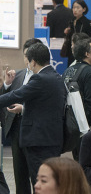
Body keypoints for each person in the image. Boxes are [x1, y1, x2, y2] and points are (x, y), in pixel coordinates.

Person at [0, 43, 65, 186]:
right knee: (50, 182)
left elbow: (16, 95)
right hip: (52, 140)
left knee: (40, 183)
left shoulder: (40, 79)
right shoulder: (57, 77)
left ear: (33, 62)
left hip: (38, 142)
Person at [0, 38, 42, 194]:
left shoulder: (46, 78)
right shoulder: (17, 75)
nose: (27, 60)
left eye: (30, 56)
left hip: (37, 133)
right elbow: (5, 100)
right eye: (25, 56)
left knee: (37, 177)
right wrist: (7, 85)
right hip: (17, 132)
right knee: (20, 176)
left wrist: (24, 109)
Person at [63, 0, 91, 64]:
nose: (75, 10)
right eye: (73, 7)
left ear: (84, 9)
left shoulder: (87, 23)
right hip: (71, 50)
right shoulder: (71, 22)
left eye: (78, 8)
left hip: (82, 51)